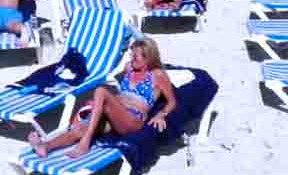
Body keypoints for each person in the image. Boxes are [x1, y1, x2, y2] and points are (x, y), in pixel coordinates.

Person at [28, 38, 177, 158]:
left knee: (101, 91)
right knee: (80, 128)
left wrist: (161, 114)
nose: (132, 59)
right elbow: (120, 96)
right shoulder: (128, 68)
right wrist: (98, 105)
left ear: (148, 58)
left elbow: (172, 102)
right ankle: (45, 146)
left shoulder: (158, 75)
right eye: (132, 55)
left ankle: (85, 144)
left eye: (136, 57)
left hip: (133, 119)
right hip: (114, 114)